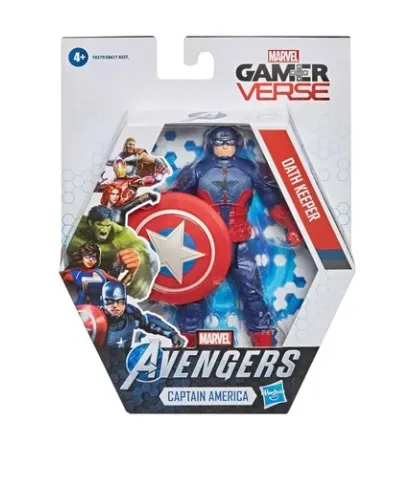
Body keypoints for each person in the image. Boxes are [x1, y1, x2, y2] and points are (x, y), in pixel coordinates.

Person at [171, 126, 302, 347]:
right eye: (220, 143)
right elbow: (175, 202)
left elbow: (271, 199)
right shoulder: (198, 170)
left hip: (239, 243)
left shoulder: (248, 169)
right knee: (194, 298)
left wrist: (290, 226)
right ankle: (187, 344)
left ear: (236, 144)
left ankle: (264, 344)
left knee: (253, 295)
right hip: (207, 246)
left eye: (229, 143)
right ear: (211, 145)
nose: (224, 147)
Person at [60, 242, 132, 305]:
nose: (91, 260)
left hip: (100, 306)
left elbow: (119, 284)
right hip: (81, 307)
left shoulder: (100, 272)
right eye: (88, 256)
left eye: (94, 257)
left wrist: (130, 273)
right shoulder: (72, 274)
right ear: (81, 256)